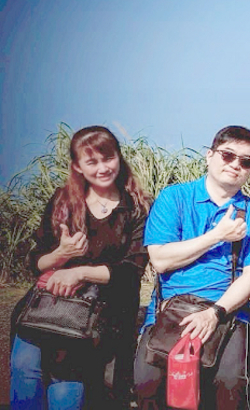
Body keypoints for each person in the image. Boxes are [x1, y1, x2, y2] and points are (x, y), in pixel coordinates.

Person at [10, 125, 150, 409]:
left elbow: (131, 270)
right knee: (24, 366)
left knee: (66, 376)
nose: (102, 168)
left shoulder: (137, 207)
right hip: (48, 306)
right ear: (77, 166)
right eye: (92, 162)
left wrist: (79, 272)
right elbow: (36, 261)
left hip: (101, 315)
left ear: (119, 157)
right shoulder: (63, 201)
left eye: (108, 158)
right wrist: (61, 254)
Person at [133, 125, 250, 410]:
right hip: (171, 309)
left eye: (245, 161)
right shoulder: (174, 198)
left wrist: (215, 313)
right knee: (147, 382)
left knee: (229, 383)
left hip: (226, 312)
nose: (235, 165)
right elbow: (160, 260)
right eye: (227, 155)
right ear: (209, 155)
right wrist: (217, 236)